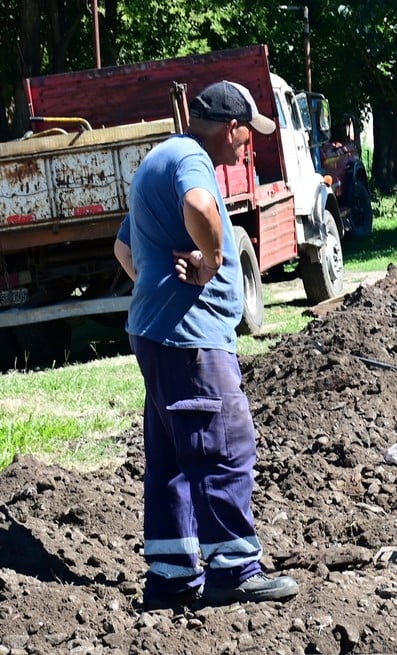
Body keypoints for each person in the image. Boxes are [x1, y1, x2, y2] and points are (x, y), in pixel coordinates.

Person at [113, 81, 299, 610]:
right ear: (231, 127)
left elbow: (124, 246)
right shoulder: (191, 162)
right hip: (190, 341)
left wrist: (154, 287)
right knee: (225, 445)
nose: (249, 146)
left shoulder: (163, 157)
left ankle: (172, 576)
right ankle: (233, 569)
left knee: (172, 456)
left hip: (157, 334)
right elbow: (200, 205)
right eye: (248, 134)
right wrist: (212, 261)